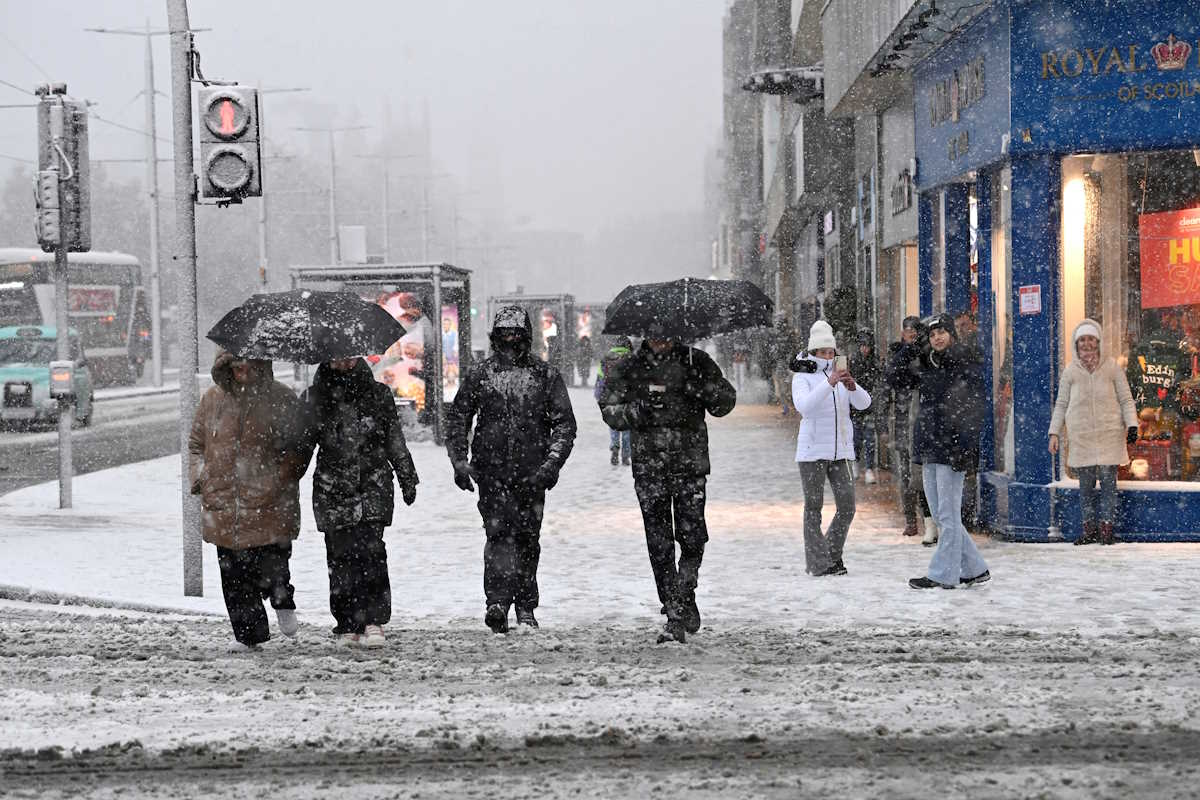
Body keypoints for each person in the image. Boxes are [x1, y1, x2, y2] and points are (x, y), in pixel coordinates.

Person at [599, 331, 736, 644]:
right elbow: (609, 408)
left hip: (690, 465)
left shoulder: (695, 361)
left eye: (666, 335)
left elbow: (725, 401)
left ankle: (686, 591)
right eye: (654, 335)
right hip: (650, 469)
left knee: (693, 537)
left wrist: (700, 389)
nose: (661, 341)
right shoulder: (630, 367)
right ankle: (673, 608)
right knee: (659, 543)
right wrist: (637, 411)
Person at [447, 306, 577, 634]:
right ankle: (497, 601)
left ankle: (525, 605)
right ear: (495, 335)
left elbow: (564, 424)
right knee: (497, 537)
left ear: (526, 336)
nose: (510, 339)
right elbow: (459, 417)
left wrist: (551, 465)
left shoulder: (544, 376)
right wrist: (459, 461)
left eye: (515, 333)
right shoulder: (482, 374)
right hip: (490, 473)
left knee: (527, 540)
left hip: (532, 474)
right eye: (504, 332)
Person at [188, 352, 309, 651]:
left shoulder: (280, 398)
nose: (242, 368)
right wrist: (202, 477)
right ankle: (248, 634)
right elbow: (196, 445)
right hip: (224, 502)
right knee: (234, 573)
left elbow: (298, 446)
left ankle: (281, 598)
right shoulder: (211, 400)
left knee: (272, 565)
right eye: (235, 363)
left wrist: (281, 476)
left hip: (268, 500)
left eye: (248, 362)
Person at [299, 356, 419, 648]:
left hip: (372, 486)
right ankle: (347, 622)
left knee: (372, 552)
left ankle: (373, 619)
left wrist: (407, 475)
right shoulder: (315, 398)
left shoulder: (378, 394)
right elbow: (302, 445)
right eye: (337, 357)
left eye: (349, 356)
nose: (343, 362)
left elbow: (393, 438)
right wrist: (286, 478)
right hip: (333, 490)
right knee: (339, 556)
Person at [888, 314, 990, 589]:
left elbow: (975, 406)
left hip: (952, 447)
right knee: (940, 512)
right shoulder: (925, 362)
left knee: (946, 513)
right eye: (932, 335)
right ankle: (974, 568)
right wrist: (909, 346)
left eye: (942, 332)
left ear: (952, 334)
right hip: (928, 445)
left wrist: (966, 446)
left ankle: (942, 574)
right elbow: (894, 377)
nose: (937, 338)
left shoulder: (964, 361)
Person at [791, 320, 871, 577]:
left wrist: (851, 386)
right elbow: (805, 407)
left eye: (831, 351)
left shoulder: (841, 374)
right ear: (813, 352)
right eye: (823, 351)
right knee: (813, 507)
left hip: (842, 451)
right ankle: (818, 563)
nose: (828, 356)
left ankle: (831, 555)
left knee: (847, 506)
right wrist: (829, 383)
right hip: (812, 451)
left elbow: (864, 403)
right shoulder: (802, 376)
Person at [1048, 319, 1138, 546]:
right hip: (1082, 437)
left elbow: (1126, 398)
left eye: (1091, 339)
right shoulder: (1070, 371)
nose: (1086, 344)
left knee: (1109, 486)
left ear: (1098, 342)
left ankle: (1107, 531)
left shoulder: (1112, 368)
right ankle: (1088, 530)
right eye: (1082, 340)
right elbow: (1061, 403)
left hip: (1109, 434)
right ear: (1076, 344)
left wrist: (1132, 424)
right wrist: (1054, 433)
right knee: (1085, 487)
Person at [883, 317, 935, 539]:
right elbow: (890, 380)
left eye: (915, 332)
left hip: (923, 423)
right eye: (907, 331)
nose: (911, 335)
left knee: (923, 475)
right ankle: (911, 520)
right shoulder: (899, 354)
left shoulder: (926, 356)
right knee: (906, 475)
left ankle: (929, 520)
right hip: (904, 423)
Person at [954, 309, 983, 530]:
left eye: (965, 325)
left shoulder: (976, 347)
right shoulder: (953, 352)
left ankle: (968, 513)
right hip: (959, 418)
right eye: (958, 326)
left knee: (970, 468)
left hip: (973, 416)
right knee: (962, 469)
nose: (962, 330)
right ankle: (964, 514)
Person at [848, 328, 882, 485]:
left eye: (867, 346)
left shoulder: (875, 362)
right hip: (855, 406)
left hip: (869, 406)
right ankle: (856, 463)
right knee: (856, 437)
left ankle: (869, 468)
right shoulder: (852, 361)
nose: (865, 349)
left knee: (869, 438)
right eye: (862, 345)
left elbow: (879, 383)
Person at [595, 336, 634, 466]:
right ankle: (626, 455)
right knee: (628, 426)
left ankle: (615, 446)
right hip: (627, 396)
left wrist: (599, 395)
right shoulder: (632, 358)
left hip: (610, 396)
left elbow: (600, 379)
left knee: (614, 424)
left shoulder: (606, 358)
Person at [770, 319, 799, 416]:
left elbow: (793, 350)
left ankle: (790, 407)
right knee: (785, 389)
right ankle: (787, 407)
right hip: (784, 366)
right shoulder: (781, 338)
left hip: (787, 366)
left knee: (787, 389)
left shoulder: (787, 337)